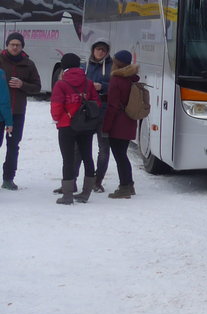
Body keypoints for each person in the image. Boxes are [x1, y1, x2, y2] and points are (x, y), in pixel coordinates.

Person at [49, 52, 99, 205]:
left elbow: (56, 106)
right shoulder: (88, 82)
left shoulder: (61, 84)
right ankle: (86, 193)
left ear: (64, 66)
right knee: (87, 156)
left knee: (68, 159)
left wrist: (59, 118)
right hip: (86, 125)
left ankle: (68, 195)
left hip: (67, 125)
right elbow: (96, 103)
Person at [0, 31, 41, 190]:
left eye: (18, 45)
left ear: (22, 46)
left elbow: (37, 87)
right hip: (0, 112)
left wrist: (22, 84)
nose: (15, 47)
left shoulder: (28, 64)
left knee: (13, 145)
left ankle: (8, 178)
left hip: (17, 111)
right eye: (12, 44)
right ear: (7, 45)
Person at [101, 50, 139, 199]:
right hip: (129, 120)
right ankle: (129, 184)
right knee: (123, 155)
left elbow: (113, 106)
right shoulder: (131, 78)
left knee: (120, 156)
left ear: (117, 63)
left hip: (118, 123)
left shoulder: (117, 79)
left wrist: (106, 127)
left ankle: (124, 187)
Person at [85, 40, 113, 194]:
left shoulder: (111, 66)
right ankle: (79, 179)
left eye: (103, 50)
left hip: (104, 111)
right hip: (87, 112)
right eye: (98, 49)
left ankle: (98, 180)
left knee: (103, 148)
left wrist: (103, 87)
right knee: (81, 147)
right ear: (93, 50)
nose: (100, 52)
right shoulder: (85, 66)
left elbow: (115, 86)